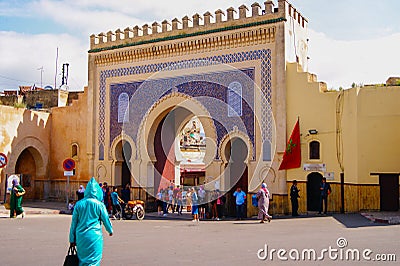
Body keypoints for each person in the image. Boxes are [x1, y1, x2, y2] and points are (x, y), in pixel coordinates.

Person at [69, 177, 113, 265]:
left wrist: (71, 239)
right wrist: (110, 230)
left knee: (82, 261)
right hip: (94, 237)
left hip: (81, 237)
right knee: (94, 261)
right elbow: (106, 220)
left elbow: (73, 224)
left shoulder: (78, 204)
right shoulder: (100, 205)